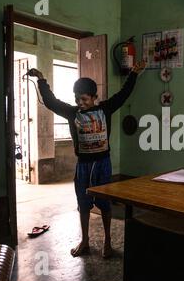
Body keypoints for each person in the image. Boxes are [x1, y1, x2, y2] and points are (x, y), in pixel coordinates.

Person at [28, 61, 146, 258]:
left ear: (94, 98)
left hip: (103, 165)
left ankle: (107, 242)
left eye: (84, 99)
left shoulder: (106, 109)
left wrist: (134, 73)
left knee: (105, 204)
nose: (80, 103)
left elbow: (124, 93)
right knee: (83, 204)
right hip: (83, 166)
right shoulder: (72, 113)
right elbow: (51, 101)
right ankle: (85, 240)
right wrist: (41, 79)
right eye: (77, 99)